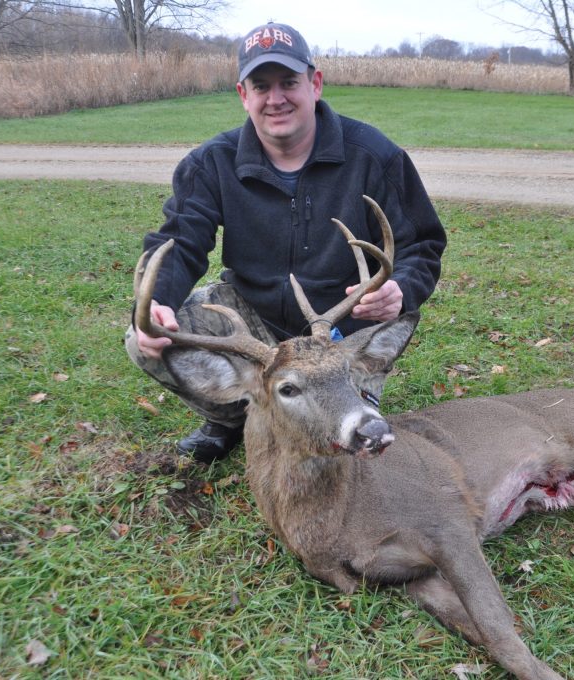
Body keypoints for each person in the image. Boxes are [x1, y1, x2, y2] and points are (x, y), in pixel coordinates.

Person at [126, 21, 447, 464]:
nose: (275, 99)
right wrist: (156, 301)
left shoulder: (374, 156)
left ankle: (351, 397)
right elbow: (180, 242)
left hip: (341, 331)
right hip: (254, 325)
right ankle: (229, 420)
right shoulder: (211, 163)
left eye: (288, 83)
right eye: (261, 86)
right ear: (244, 95)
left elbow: (422, 245)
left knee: (346, 448)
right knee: (146, 336)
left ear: (314, 84)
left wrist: (401, 290)